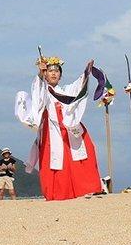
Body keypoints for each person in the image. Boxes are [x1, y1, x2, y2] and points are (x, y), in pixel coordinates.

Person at [14, 55, 106, 200]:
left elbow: (78, 86)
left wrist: (86, 72)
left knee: (84, 152)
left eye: (57, 71)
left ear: (61, 75)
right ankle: (58, 192)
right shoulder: (43, 91)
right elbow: (37, 94)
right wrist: (39, 74)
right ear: (45, 74)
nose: (54, 73)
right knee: (55, 161)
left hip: (69, 128)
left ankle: (87, 187)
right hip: (52, 131)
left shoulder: (66, 90)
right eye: (50, 71)